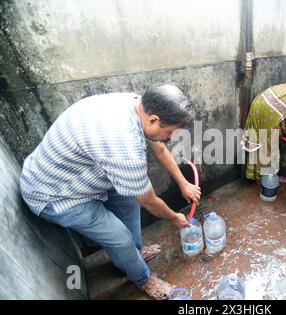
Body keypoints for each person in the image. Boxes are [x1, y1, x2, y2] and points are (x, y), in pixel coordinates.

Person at [19, 83, 201, 300]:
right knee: (119, 238)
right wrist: (176, 218)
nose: (169, 138)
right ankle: (141, 277)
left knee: (128, 204)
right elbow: (149, 201)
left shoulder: (137, 103)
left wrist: (183, 182)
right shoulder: (124, 145)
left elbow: (158, 144)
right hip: (54, 193)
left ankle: (130, 256)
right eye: (169, 132)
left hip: (81, 172)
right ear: (153, 120)